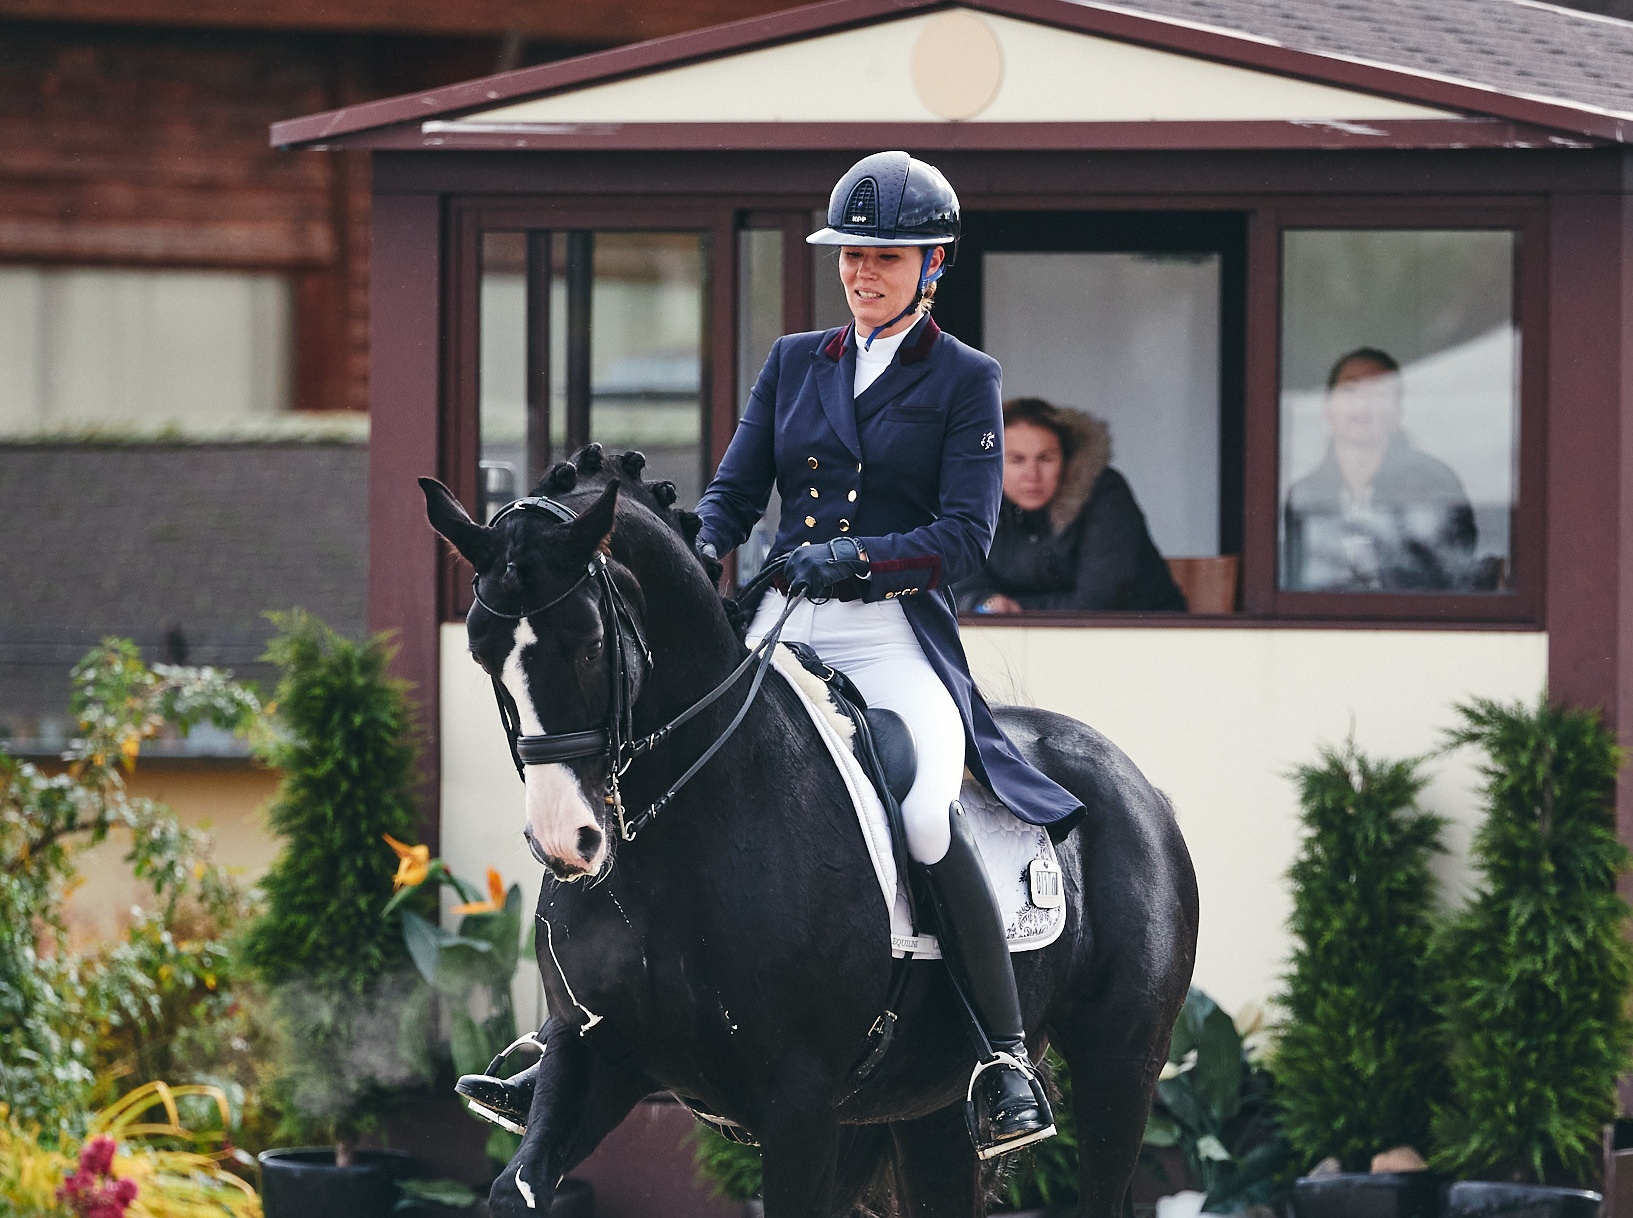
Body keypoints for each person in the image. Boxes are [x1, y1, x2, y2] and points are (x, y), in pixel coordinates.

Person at [458, 150, 1083, 1162]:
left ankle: (999, 1056)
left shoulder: (965, 382)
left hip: (890, 632)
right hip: (776, 619)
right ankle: (561, 1030)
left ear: (932, 265)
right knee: (626, 774)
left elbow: (966, 538)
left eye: (882, 257)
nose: (860, 273)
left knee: (924, 806)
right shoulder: (796, 361)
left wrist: (858, 556)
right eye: (849, 256)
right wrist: (693, 550)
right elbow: (733, 495)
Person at [951, 399, 1182, 614]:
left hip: (1144, 639)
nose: (1031, 475)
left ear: (1067, 460)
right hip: (1027, 642)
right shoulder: (977, 501)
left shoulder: (1103, 493)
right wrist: (984, 603)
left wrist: (1014, 608)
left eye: (1045, 458)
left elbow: (1096, 603)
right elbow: (960, 585)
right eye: (1017, 460)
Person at [1283, 348, 1479, 591]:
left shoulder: (1433, 483)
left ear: (1397, 414)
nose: (1361, 404)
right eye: (1349, 390)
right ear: (1327, 408)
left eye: (1377, 393)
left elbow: (1454, 583)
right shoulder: (1305, 494)